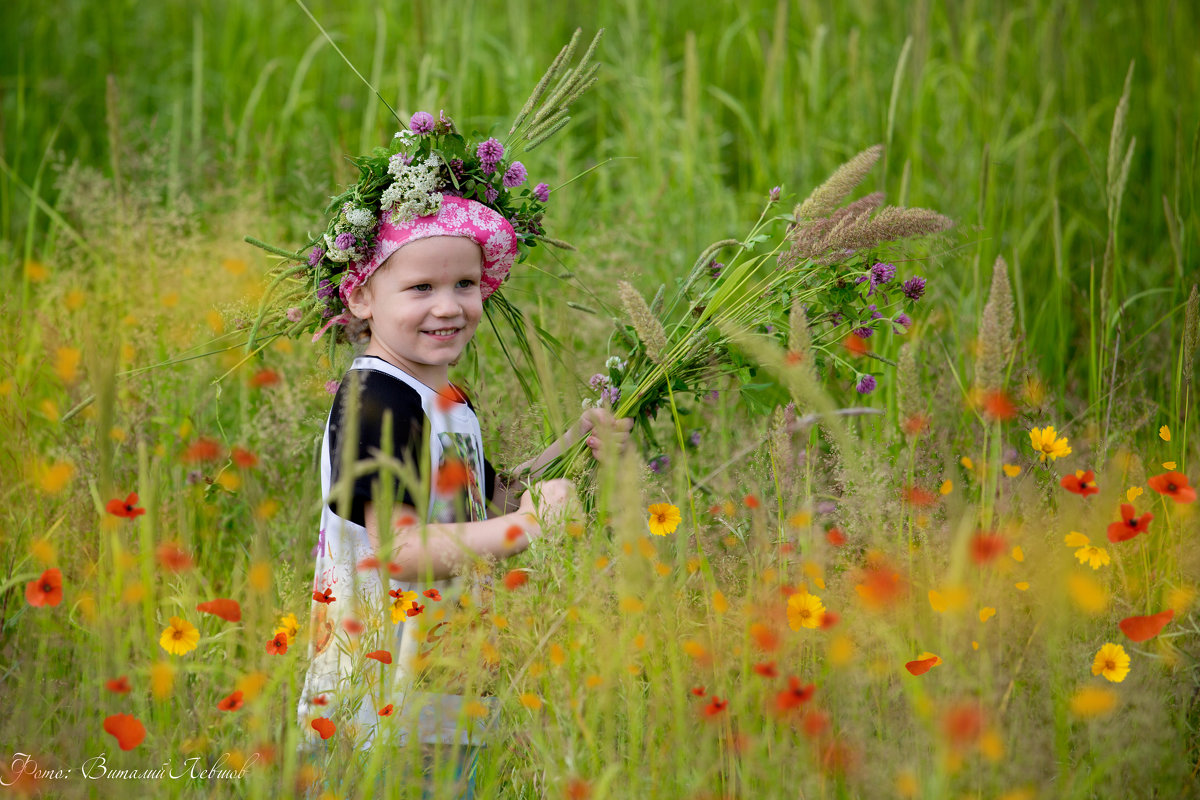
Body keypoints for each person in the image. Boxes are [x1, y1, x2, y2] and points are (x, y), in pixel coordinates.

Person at [294, 145, 632, 797]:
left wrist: (570, 447)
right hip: (377, 699)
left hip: (442, 681)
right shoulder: (376, 402)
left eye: (464, 285)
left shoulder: (445, 398)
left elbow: (476, 497)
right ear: (361, 295)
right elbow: (401, 549)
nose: (447, 306)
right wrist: (530, 527)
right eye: (421, 288)